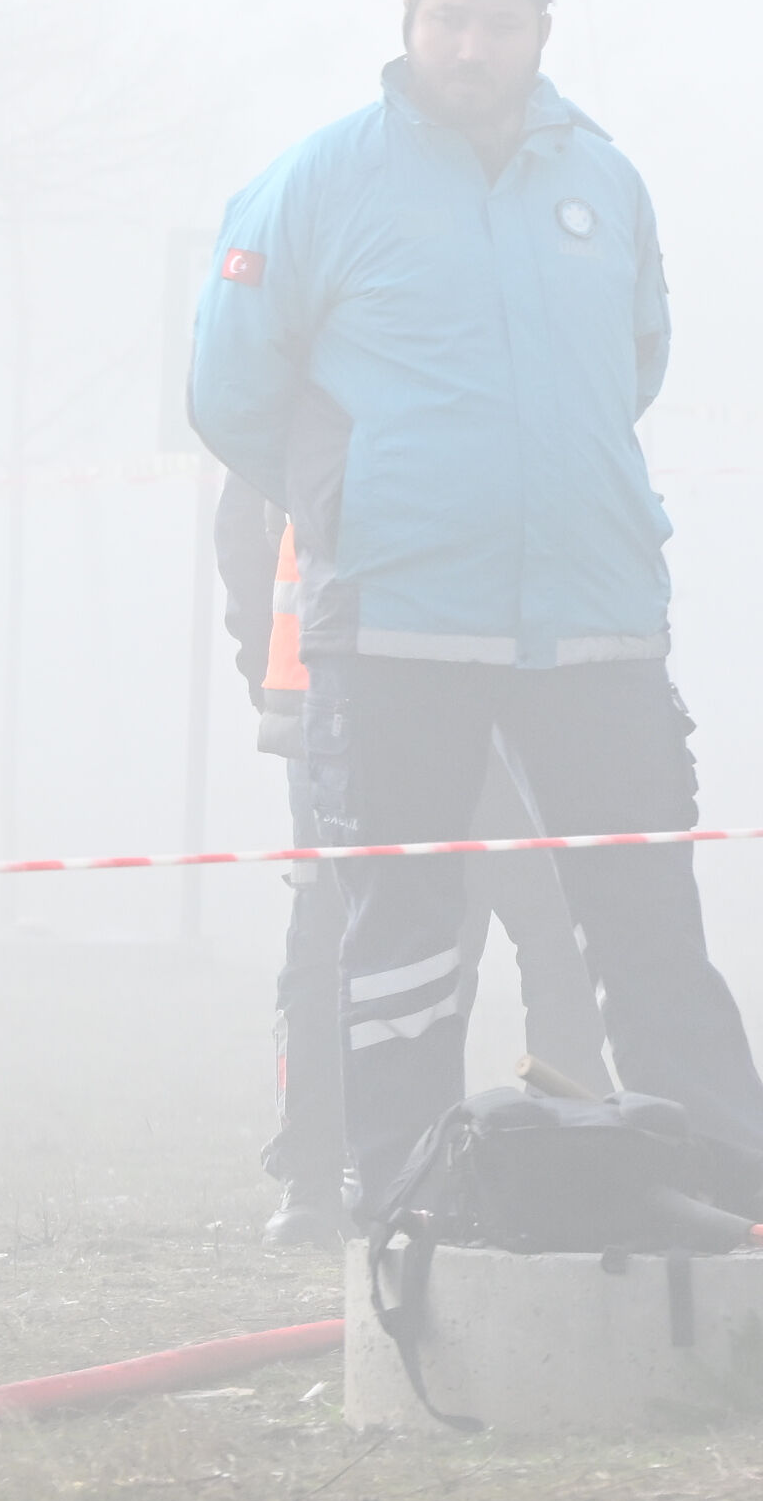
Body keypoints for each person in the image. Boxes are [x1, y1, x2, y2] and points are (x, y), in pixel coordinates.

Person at [188, 0, 763, 1213]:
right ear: (410, 21)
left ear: (541, 31)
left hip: (594, 620)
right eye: (450, 18)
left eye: (501, 23)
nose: (472, 47)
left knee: (645, 920)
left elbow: (636, 359)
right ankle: (403, 1197)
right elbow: (232, 394)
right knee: (402, 935)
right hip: (398, 625)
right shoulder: (317, 181)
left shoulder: (603, 178)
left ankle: (733, 1184)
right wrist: (356, 500)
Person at [219, 486, 593, 1242]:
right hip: (358, 702)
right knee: (342, 938)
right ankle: (335, 1171)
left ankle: (573, 1149)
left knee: (542, 925)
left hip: (434, 701)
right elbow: (245, 532)